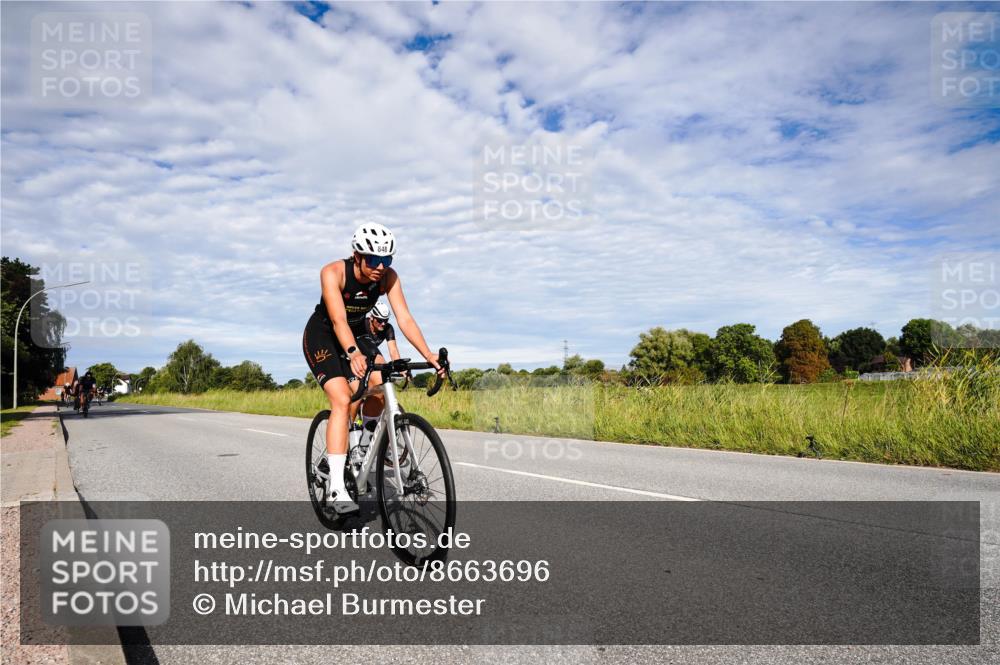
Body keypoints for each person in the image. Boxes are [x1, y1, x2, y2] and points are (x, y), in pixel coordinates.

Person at [302, 222, 444, 514]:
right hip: (324, 333)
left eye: (387, 259)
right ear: (357, 256)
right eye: (374, 259)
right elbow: (339, 320)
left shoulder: (388, 277)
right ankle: (337, 488)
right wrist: (352, 352)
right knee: (342, 399)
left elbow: (404, 318)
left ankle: (362, 448)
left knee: (380, 383)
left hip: (356, 334)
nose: (381, 266)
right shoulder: (333, 272)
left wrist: (428, 353)